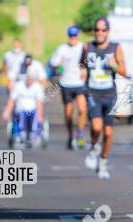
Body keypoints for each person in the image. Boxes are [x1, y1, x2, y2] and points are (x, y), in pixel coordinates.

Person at [82, 17, 127, 179]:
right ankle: (94, 147)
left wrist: (114, 64)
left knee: (108, 133)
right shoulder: (87, 47)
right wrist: (81, 74)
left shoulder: (116, 48)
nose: (100, 33)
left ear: (108, 31)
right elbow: (82, 66)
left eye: (103, 30)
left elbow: (124, 72)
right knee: (96, 127)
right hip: (93, 92)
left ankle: (103, 161)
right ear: (94, 31)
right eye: (97, 30)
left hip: (110, 93)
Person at [50, 25, 88, 150]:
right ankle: (71, 135)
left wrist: (85, 70)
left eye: (75, 35)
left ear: (78, 35)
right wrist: (58, 67)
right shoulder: (62, 49)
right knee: (68, 113)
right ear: (68, 36)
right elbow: (54, 64)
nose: (73, 38)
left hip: (79, 84)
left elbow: (89, 62)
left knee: (82, 109)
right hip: (66, 84)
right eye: (71, 36)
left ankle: (80, 134)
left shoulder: (83, 47)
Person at [2, 68, 45, 148]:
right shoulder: (18, 86)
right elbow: (12, 100)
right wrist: (7, 111)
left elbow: (39, 103)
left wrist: (40, 115)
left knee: (35, 115)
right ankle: (20, 133)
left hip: (33, 110)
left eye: (31, 79)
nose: (29, 81)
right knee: (21, 115)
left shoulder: (37, 87)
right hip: (20, 109)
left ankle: (34, 133)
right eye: (28, 79)